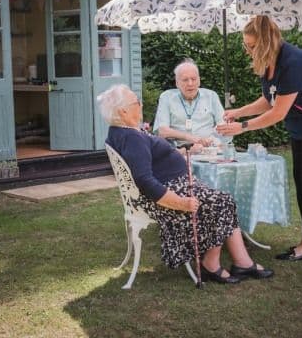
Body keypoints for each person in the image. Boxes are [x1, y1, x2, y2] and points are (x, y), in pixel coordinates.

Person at [97, 84, 273, 283]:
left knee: (223, 200)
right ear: (123, 111)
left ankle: (242, 263)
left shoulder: (121, 131)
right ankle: (211, 265)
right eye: (136, 101)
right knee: (222, 202)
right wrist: (181, 203)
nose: (141, 103)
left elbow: (150, 160)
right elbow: (144, 180)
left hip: (171, 184)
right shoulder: (131, 138)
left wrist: (179, 153)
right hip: (164, 194)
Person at [215, 15, 302, 261]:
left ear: (266, 42)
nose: (248, 50)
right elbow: (270, 98)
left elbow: (277, 112)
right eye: (246, 45)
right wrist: (239, 111)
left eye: (252, 46)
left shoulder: (294, 62)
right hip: (301, 126)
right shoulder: (269, 61)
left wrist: (242, 126)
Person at [153, 59, 225, 148]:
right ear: (177, 83)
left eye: (193, 79)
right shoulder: (167, 97)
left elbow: (223, 125)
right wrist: (191, 138)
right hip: (178, 150)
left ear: (199, 80)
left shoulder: (211, 96)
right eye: (185, 80)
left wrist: (213, 140)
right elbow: (162, 131)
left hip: (208, 148)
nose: (190, 83)